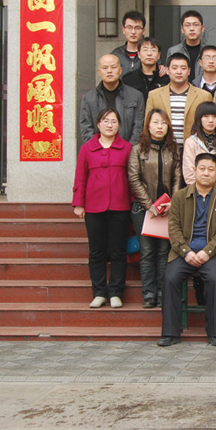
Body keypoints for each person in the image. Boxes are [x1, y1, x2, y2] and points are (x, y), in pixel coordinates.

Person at [157, 153, 216, 347]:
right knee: (170, 278)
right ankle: (170, 333)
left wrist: (207, 252)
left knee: (215, 280)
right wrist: (186, 251)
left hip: (214, 252)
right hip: (183, 252)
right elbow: (173, 228)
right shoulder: (180, 196)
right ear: (194, 170)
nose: (206, 173)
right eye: (202, 169)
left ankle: (215, 332)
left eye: (211, 169)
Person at [72, 108, 132, 309]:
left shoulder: (127, 148)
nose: (109, 125)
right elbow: (80, 177)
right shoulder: (87, 149)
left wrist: (134, 203)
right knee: (96, 252)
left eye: (114, 121)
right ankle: (99, 292)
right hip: (94, 207)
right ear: (98, 124)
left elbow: (132, 178)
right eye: (105, 121)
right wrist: (79, 203)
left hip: (120, 206)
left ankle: (115, 292)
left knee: (118, 251)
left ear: (119, 125)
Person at [128, 108, 182, 308]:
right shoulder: (137, 149)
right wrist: (150, 205)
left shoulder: (173, 149)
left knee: (163, 251)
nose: (160, 127)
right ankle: (149, 294)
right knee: (147, 251)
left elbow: (177, 178)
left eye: (163, 123)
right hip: (144, 209)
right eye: (155, 122)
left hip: (167, 208)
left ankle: (162, 292)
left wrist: (172, 202)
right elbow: (133, 178)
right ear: (148, 126)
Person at [145, 53, 212, 147]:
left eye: (183, 68)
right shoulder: (154, 95)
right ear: (167, 70)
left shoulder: (204, 96)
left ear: (189, 71)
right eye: (174, 68)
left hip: (194, 149)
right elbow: (147, 125)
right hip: (162, 149)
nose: (179, 72)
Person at [79, 54, 145, 144]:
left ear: (120, 70)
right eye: (105, 68)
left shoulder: (136, 96)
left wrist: (128, 149)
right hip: (97, 151)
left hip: (128, 150)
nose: (109, 71)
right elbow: (86, 128)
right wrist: (98, 149)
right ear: (99, 72)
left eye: (113, 67)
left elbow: (138, 127)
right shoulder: (88, 98)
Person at [183, 101, 216, 189]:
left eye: (215, 117)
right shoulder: (191, 142)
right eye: (206, 116)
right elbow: (189, 173)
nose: (211, 120)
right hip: (197, 191)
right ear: (199, 119)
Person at [123, 37, 170, 103]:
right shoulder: (129, 79)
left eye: (153, 50)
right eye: (145, 50)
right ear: (139, 54)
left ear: (158, 55)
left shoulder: (167, 79)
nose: (149, 53)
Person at [165, 10, 205, 81]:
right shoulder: (173, 51)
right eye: (187, 25)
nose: (192, 29)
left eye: (196, 25)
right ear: (182, 29)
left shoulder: (208, 52)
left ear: (202, 28)